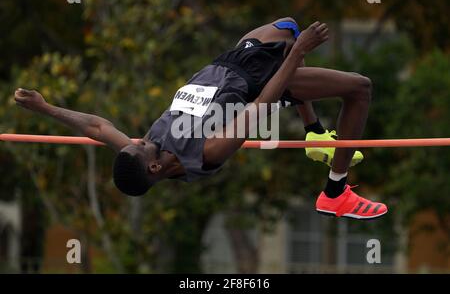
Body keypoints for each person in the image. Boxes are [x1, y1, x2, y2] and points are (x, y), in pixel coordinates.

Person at [14, 17, 387, 220]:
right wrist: (297, 57)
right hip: (258, 83)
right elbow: (260, 106)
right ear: (156, 169)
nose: (141, 139)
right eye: (143, 146)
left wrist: (45, 108)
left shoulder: (142, 152)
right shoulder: (208, 152)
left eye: (137, 142)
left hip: (225, 65)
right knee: (359, 88)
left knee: (288, 26)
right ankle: (336, 191)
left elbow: (96, 127)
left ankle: (315, 134)